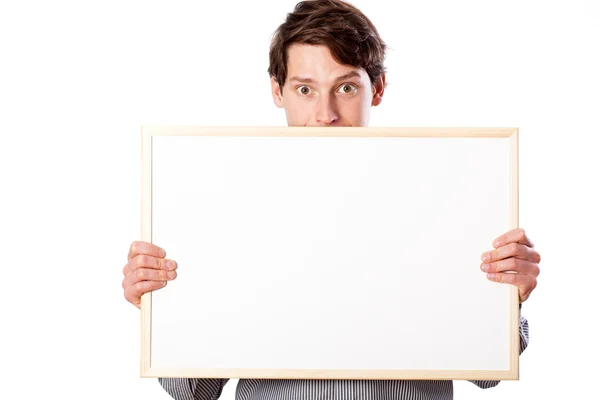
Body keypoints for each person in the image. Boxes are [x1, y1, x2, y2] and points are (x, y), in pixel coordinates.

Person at [121, 1, 541, 399]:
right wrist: (160, 306)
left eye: (344, 87)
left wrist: (507, 295)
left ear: (376, 89)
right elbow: (195, 389)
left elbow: (486, 375)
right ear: (277, 91)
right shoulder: (225, 207)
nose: (325, 114)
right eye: (305, 88)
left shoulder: (446, 198)